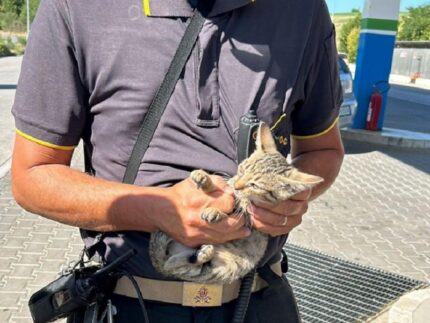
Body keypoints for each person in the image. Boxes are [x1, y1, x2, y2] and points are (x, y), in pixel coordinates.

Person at [11, 0, 344, 322]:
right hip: (131, 304)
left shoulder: (303, 10)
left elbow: (323, 150)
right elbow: (32, 175)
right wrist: (158, 209)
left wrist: (290, 197)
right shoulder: (74, 6)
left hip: (260, 300)